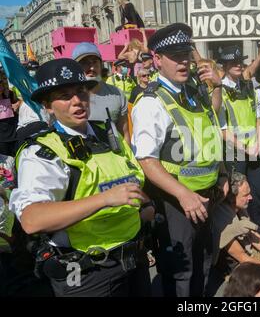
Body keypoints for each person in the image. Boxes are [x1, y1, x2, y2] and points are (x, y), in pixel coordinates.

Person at [9, 58, 154, 296]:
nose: (77, 101)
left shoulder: (107, 133)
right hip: (87, 273)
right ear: (46, 105)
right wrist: (104, 199)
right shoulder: (42, 152)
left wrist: (147, 204)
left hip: (133, 259)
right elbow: (32, 219)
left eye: (81, 91)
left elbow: (130, 178)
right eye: (65, 96)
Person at [131, 23, 228, 297]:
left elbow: (209, 128)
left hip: (204, 196)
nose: (183, 61)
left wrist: (221, 175)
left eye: (185, 54)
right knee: (180, 273)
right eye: (174, 56)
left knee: (203, 264)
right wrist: (183, 195)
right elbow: (147, 160)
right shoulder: (151, 102)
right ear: (157, 60)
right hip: (175, 203)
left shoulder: (193, 92)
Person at [218, 45, 260, 236]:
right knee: (237, 196)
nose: (238, 65)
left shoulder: (250, 88)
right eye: (233, 62)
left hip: (254, 150)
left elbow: (258, 118)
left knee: (259, 193)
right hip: (234, 152)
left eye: (240, 62)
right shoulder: (220, 91)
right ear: (224, 65)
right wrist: (246, 149)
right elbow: (222, 129)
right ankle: (240, 234)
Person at [72, 43, 131, 144]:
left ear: (101, 65)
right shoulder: (70, 99)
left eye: (94, 62)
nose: (91, 68)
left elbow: (124, 134)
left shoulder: (117, 94)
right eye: (85, 63)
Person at [0, 70, 20, 156]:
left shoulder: (10, 94)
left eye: (1, 82)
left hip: (15, 135)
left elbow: (20, 102)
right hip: (2, 140)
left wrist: (18, 104)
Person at [127, 68, 151, 136]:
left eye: (148, 75)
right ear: (140, 78)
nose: (147, 77)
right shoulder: (135, 90)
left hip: (151, 116)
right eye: (144, 75)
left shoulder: (152, 88)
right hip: (140, 118)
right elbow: (130, 106)